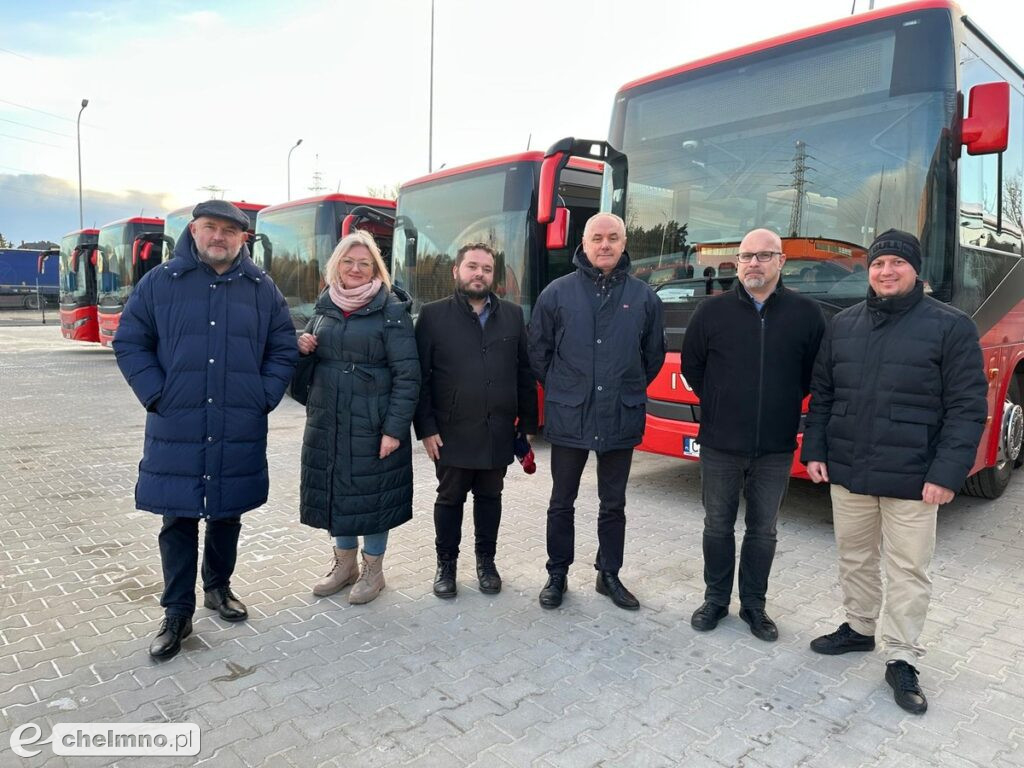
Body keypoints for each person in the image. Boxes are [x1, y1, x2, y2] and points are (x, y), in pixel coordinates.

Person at [802, 229, 987, 714]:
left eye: (896, 264)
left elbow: (968, 407)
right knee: (855, 557)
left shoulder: (951, 326)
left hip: (914, 477)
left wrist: (948, 473)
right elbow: (823, 395)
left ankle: (902, 656)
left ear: (915, 270)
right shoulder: (843, 325)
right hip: (850, 470)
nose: (886, 271)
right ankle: (860, 628)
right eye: (879, 263)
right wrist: (815, 450)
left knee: (907, 569)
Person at [113, 200, 298, 659]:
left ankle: (218, 587)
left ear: (243, 239)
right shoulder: (160, 283)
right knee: (177, 516)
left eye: (229, 231)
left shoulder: (261, 288)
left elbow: (283, 347)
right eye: (210, 228)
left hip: (237, 420)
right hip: (178, 422)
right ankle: (177, 611)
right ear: (194, 232)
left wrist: (264, 396)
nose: (220, 237)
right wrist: (158, 394)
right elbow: (130, 341)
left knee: (226, 512)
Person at [681, 229, 826, 642]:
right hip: (720, 444)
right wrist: (722, 400)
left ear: (781, 261)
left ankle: (754, 606)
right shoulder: (712, 312)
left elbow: (814, 375)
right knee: (717, 526)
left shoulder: (806, 314)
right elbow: (694, 367)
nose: (753, 264)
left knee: (764, 531)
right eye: (746, 256)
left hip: (775, 447)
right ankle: (715, 600)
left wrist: (779, 402)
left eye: (764, 256)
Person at [527, 212, 665, 610]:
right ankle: (557, 573)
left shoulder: (643, 297)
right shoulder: (556, 293)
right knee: (561, 500)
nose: (604, 245)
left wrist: (625, 385)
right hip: (570, 413)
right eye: (597, 238)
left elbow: (652, 356)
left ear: (624, 244)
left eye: (613, 238)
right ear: (583, 245)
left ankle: (609, 574)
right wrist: (564, 388)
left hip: (620, 413)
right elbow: (538, 352)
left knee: (613, 502)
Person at [296, 230, 420, 606]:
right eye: (348, 262)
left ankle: (373, 571)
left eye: (364, 263)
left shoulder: (392, 310)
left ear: (375, 269)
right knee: (337, 493)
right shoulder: (324, 307)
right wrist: (302, 348)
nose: (355, 268)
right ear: (337, 265)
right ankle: (344, 565)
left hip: (373, 423)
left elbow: (408, 376)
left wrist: (394, 430)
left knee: (373, 498)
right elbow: (303, 378)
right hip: (328, 421)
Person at [413, 242, 538, 598]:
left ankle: (486, 562)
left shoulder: (512, 315)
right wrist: (426, 428)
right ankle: (446, 566)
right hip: (450, 432)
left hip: (498, 429)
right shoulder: (433, 316)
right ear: (456, 271)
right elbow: (420, 377)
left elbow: (524, 373)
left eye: (486, 268)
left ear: (493, 275)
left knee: (490, 497)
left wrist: (528, 426)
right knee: (449, 499)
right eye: (472, 266)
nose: (479, 274)